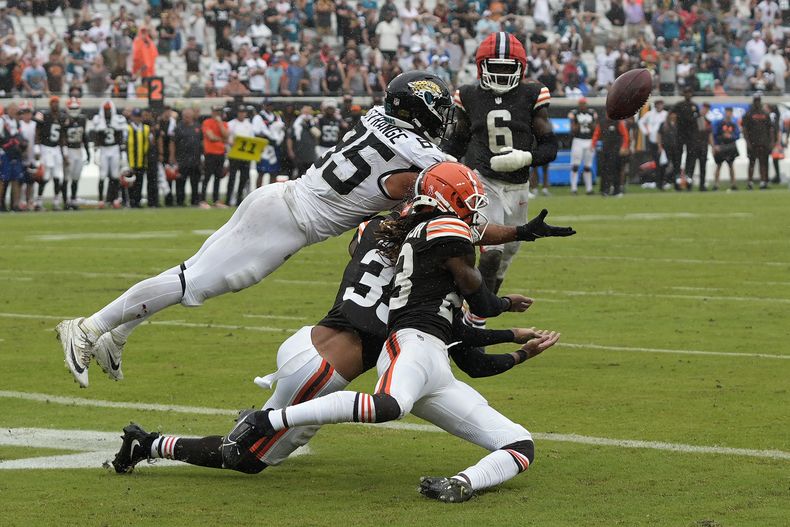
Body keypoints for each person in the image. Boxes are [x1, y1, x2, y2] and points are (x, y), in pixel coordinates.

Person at [56, 71, 573, 388]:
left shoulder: (377, 117)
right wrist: (518, 231)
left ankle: (116, 333)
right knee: (196, 283)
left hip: (282, 199)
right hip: (290, 218)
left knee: (192, 276)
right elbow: (462, 223)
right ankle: (88, 328)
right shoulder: (427, 158)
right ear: (421, 113)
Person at [111, 208, 558, 477]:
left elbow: (387, 242)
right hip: (326, 366)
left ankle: (257, 420)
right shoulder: (436, 271)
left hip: (312, 340)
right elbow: (464, 330)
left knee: (262, 441)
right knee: (246, 458)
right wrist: (502, 315)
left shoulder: (376, 232)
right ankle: (148, 443)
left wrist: (513, 241)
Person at [215, 162, 559, 503]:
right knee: (389, 405)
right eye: (469, 199)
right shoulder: (445, 232)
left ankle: (462, 484)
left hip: (435, 364)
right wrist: (503, 303)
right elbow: (481, 301)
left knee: (519, 444)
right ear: (447, 199)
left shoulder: (435, 252)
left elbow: (473, 358)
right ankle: (268, 419)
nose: (475, 208)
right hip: (411, 344)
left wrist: (520, 347)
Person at [442, 32, 558, 319]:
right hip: (483, 180)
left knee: (507, 255)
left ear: (521, 68)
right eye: (496, 66)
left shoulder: (532, 95)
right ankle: (474, 322)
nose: (502, 73)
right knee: (492, 251)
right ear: (482, 66)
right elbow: (457, 141)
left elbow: (550, 146)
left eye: (508, 67)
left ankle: (481, 308)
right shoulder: (469, 95)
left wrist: (525, 157)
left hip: (518, 187)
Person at [90, 100, 127, 208]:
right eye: (106, 110)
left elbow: (120, 137)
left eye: (109, 110)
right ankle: (101, 200)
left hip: (114, 148)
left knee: (115, 175)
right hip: (104, 149)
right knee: (102, 175)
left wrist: (122, 152)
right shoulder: (98, 120)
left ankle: (115, 199)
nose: (107, 112)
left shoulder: (117, 120)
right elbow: (96, 137)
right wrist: (95, 151)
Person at [35, 96, 67, 210]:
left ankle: (56, 201)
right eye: (53, 103)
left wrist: (65, 152)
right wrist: (37, 149)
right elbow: (37, 132)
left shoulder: (62, 116)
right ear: (50, 104)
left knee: (58, 176)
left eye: (57, 103)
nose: (55, 105)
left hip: (56, 148)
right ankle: (38, 202)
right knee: (45, 176)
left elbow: (63, 135)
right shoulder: (44, 115)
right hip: (45, 147)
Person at [171, 107, 203, 206]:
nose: (187, 118)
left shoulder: (198, 127)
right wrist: (172, 156)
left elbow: (202, 142)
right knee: (180, 182)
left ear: (192, 116)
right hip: (182, 159)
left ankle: (194, 201)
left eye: (188, 116)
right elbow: (172, 142)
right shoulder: (178, 128)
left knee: (195, 182)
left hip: (195, 159)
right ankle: (180, 201)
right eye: (185, 116)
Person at [62, 97, 90, 210]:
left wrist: (88, 152)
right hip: (69, 150)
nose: (74, 110)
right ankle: (65, 201)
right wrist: (64, 153)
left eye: (76, 107)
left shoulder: (82, 120)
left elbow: (84, 136)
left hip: (79, 150)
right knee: (66, 178)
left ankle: (73, 200)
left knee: (76, 178)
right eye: (72, 108)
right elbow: (62, 137)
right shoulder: (65, 119)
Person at [591, 113, 629, 196]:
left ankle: (617, 190)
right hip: (605, 150)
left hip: (616, 150)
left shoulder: (618, 122)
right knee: (605, 170)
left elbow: (625, 135)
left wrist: (624, 146)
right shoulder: (602, 123)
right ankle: (604, 190)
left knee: (616, 170)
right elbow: (596, 134)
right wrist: (593, 145)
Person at [741, 92, 773, 190]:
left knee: (763, 162)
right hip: (753, 142)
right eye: (756, 101)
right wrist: (747, 142)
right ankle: (750, 182)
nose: (757, 103)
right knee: (752, 162)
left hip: (763, 142)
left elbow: (770, 129)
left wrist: (771, 142)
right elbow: (745, 129)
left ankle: (763, 181)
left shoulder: (765, 114)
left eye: (758, 101)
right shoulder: (748, 114)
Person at [200, 104, 229, 207]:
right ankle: (202, 200)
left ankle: (216, 200)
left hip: (220, 153)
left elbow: (226, 135)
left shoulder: (224, 123)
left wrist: (220, 123)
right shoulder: (207, 122)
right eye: (215, 111)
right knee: (207, 177)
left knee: (218, 177)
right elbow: (211, 137)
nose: (217, 114)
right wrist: (222, 140)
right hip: (210, 153)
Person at [252, 99, 286, 187]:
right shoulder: (258, 117)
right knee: (261, 172)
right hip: (264, 147)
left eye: (271, 105)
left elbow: (282, 129)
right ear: (263, 106)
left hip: (274, 146)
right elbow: (256, 131)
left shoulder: (276, 116)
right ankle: (258, 192)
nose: (269, 107)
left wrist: (278, 138)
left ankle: (271, 192)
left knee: (274, 172)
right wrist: (267, 135)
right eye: (267, 105)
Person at [568, 97, 597, 195]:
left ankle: (589, 189)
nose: (583, 106)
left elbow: (595, 127)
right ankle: (574, 189)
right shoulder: (574, 113)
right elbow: (573, 129)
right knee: (575, 166)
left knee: (588, 167)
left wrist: (589, 124)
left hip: (589, 140)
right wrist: (580, 124)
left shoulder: (592, 113)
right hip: (578, 140)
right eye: (581, 104)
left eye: (584, 104)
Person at [226, 105, 254, 206]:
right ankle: (228, 199)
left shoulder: (249, 125)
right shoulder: (231, 124)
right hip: (234, 154)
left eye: (243, 112)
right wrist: (231, 143)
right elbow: (227, 138)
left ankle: (239, 199)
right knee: (232, 177)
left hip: (245, 155)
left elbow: (252, 139)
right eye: (240, 112)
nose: (242, 114)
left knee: (244, 178)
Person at [126, 108, 153, 208]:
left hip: (142, 160)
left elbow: (149, 144)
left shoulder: (146, 128)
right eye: (135, 116)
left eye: (138, 117)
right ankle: (131, 201)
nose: (137, 119)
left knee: (140, 182)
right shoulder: (128, 128)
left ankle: (137, 201)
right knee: (130, 183)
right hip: (131, 160)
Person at [638, 99, 668, 190]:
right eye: (658, 104)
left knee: (664, 162)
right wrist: (646, 131)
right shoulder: (650, 114)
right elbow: (640, 122)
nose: (660, 106)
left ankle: (663, 180)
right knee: (657, 162)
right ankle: (658, 181)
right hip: (653, 141)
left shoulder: (665, 114)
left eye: (661, 104)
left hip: (663, 142)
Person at [712, 107, 740, 191]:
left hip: (730, 146)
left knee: (731, 165)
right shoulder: (719, 123)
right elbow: (715, 134)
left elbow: (737, 135)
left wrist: (731, 136)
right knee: (719, 165)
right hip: (721, 146)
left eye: (730, 112)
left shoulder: (733, 124)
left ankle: (733, 184)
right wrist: (715, 145)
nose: (728, 114)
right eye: (727, 112)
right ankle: (716, 184)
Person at [658, 112, 682, 190]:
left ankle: (676, 184)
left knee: (676, 167)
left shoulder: (678, 124)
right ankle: (662, 183)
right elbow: (659, 135)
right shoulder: (664, 125)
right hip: (666, 148)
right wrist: (660, 146)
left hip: (676, 149)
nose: (673, 115)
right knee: (665, 166)